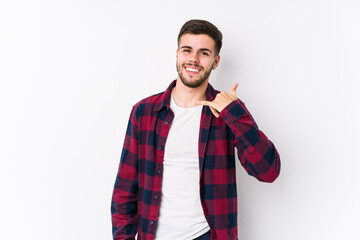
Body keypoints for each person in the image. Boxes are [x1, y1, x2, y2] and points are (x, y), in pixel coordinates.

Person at [111, 19, 281, 240]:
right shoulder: (144, 112)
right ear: (177, 54)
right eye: (187, 50)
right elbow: (125, 190)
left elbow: (268, 172)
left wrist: (235, 114)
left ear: (216, 61)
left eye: (204, 53)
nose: (193, 58)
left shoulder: (227, 112)